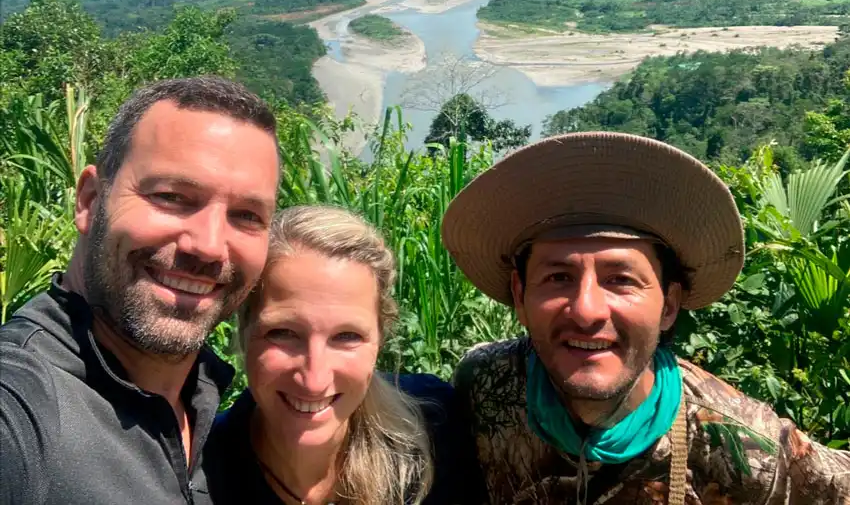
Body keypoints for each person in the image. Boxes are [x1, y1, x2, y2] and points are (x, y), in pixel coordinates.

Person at [442, 131, 850, 504]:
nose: (586, 311)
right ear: (520, 295)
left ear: (669, 306)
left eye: (620, 280)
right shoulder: (485, 384)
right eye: (558, 277)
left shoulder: (739, 441)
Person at [0, 76, 281, 505]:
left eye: (246, 215)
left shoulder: (219, 419)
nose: (207, 245)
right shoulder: (26, 403)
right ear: (91, 201)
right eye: (171, 196)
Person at [204, 205, 475, 505]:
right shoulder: (200, 474)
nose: (314, 380)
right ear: (244, 330)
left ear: (380, 341)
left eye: (347, 337)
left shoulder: (436, 427)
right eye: (283, 333)